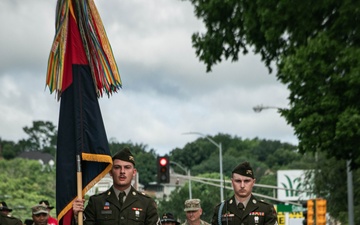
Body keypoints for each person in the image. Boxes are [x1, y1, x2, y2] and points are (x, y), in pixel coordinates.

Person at [73, 147, 159, 225]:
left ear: (134, 172)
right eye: (117, 167)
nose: (122, 171)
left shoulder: (146, 204)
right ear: (110, 172)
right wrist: (77, 217)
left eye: (127, 167)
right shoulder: (96, 202)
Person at [211, 162, 278, 225]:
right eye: (238, 181)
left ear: (253, 182)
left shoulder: (265, 209)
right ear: (232, 182)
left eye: (246, 181)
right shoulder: (221, 210)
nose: (242, 185)